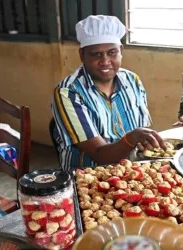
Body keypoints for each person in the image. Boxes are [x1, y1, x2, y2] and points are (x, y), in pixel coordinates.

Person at [51, 15, 165, 171]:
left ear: (121, 51)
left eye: (112, 53)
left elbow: (142, 133)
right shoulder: (68, 93)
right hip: (89, 178)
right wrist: (132, 138)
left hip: (132, 170)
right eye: (96, 54)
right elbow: (100, 156)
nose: (105, 61)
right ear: (82, 55)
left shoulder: (132, 81)